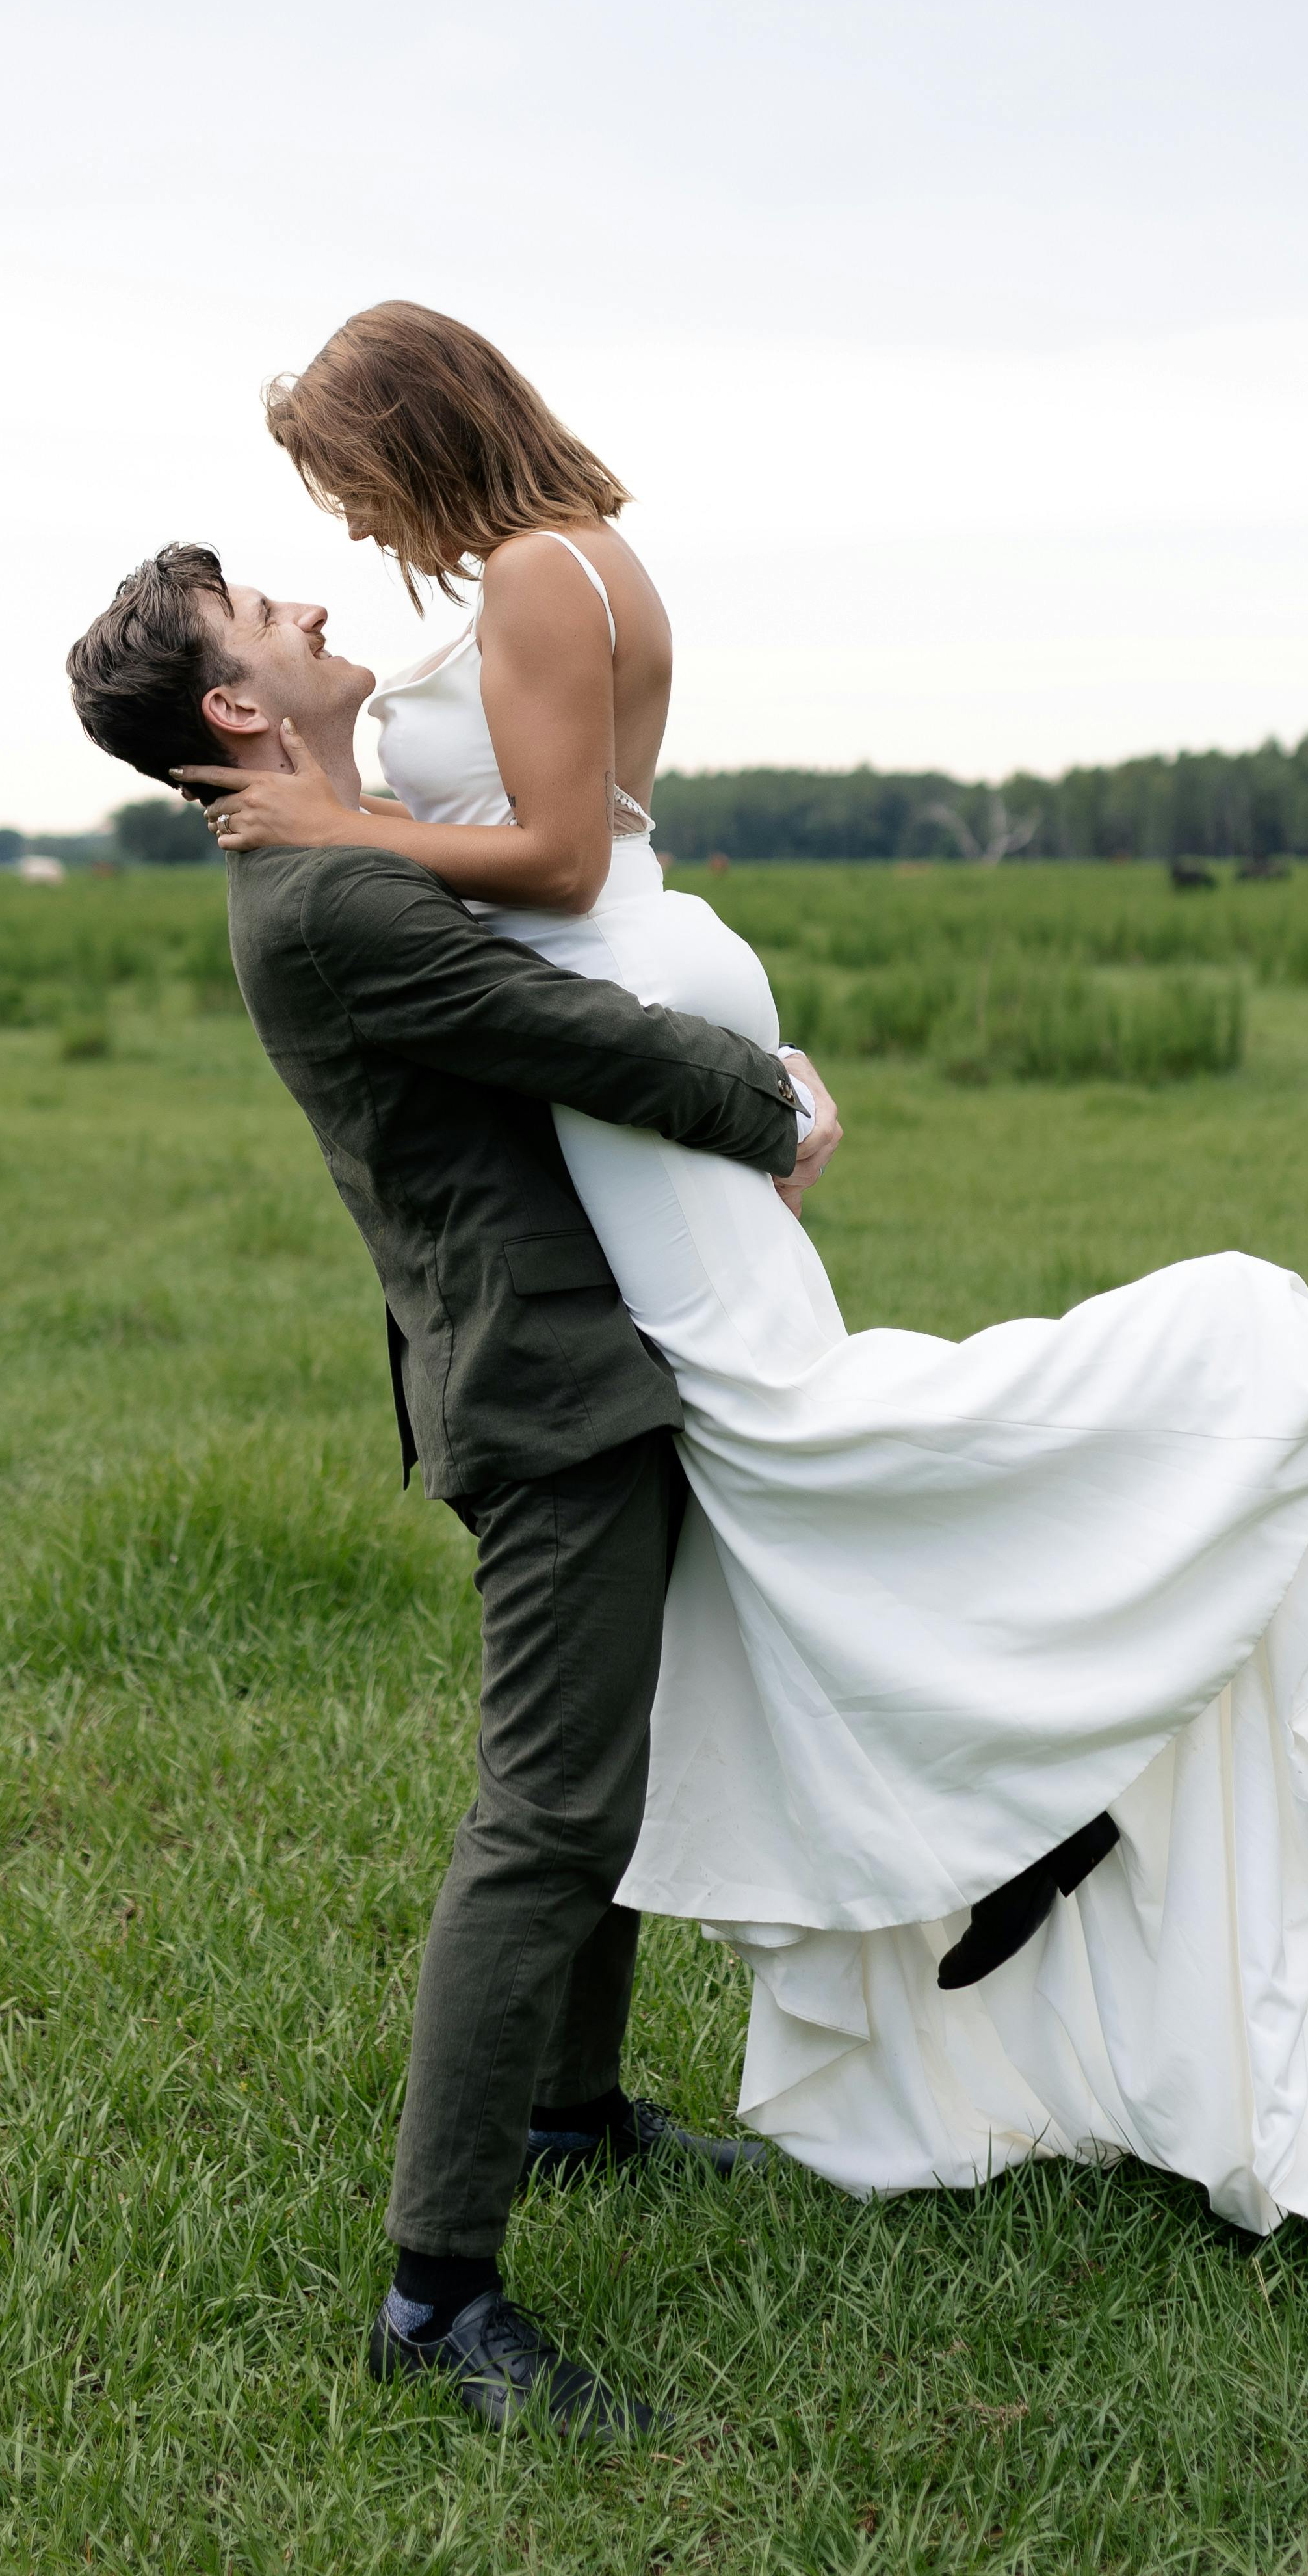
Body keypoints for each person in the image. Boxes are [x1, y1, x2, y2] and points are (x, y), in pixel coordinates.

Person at [176, 301, 1308, 2245]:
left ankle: (1206, 1404)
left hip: (620, 1005)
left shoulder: (528, 583)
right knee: (756, 1515)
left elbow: (569, 864)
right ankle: (907, 1869)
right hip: (633, 1020)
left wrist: (352, 819)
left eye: (337, 478)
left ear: (407, 434)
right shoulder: (567, 562)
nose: (334, 529)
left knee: (798, 1452)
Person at [66, 548, 841, 2442]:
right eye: (267, 615)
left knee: (606, 1773)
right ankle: (438, 2289)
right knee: (547, 1807)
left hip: (581, 1362)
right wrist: (777, 1102)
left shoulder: (347, 847)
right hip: (546, 1392)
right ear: (234, 709)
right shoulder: (331, 900)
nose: (314, 611)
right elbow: (581, 1037)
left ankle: (574, 2111)